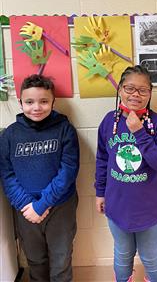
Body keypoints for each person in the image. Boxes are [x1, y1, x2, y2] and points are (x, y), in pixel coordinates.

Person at [95, 65, 157, 282]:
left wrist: (139, 132)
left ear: (150, 93)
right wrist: (100, 193)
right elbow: (102, 160)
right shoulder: (108, 122)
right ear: (120, 90)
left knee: (150, 256)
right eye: (130, 88)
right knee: (122, 254)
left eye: (142, 90)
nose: (135, 95)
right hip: (117, 205)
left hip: (149, 207)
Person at [0, 74, 80, 282]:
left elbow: (68, 171)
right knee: (35, 260)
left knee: (61, 259)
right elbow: (7, 174)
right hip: (25, 210)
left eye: (44, 101)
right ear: (20, 102)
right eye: (29, 102)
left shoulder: (65, 129)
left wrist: (43, 204)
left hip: (61, 207)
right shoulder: (10, 135)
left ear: (53, 101)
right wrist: (27, 204)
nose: (36, 107)